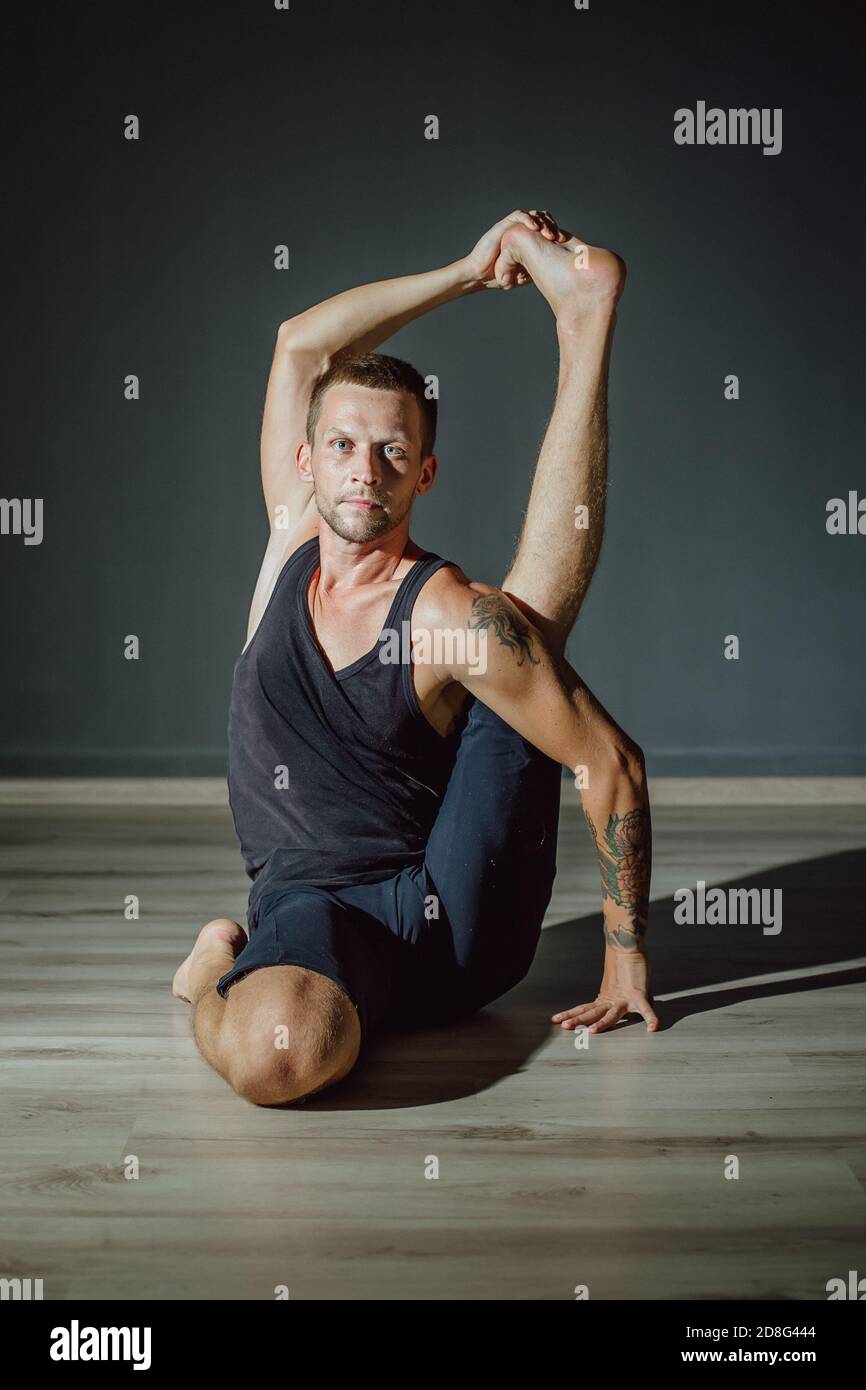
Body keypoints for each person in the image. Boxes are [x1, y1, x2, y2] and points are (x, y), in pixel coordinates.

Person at [172, 209, 658, 1106]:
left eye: (394, 450)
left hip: (450, 924)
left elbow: (609, 759)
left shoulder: (446, 614)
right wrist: (468, 273)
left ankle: (585, 322)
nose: (366, 469)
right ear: (306, 461)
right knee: (272, 1060)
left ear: (422, 473)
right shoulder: (291, 538)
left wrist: (626, 954)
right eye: (344, 446)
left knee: (513, 633)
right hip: (312, 903)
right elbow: (299, 344)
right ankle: (217, 970)